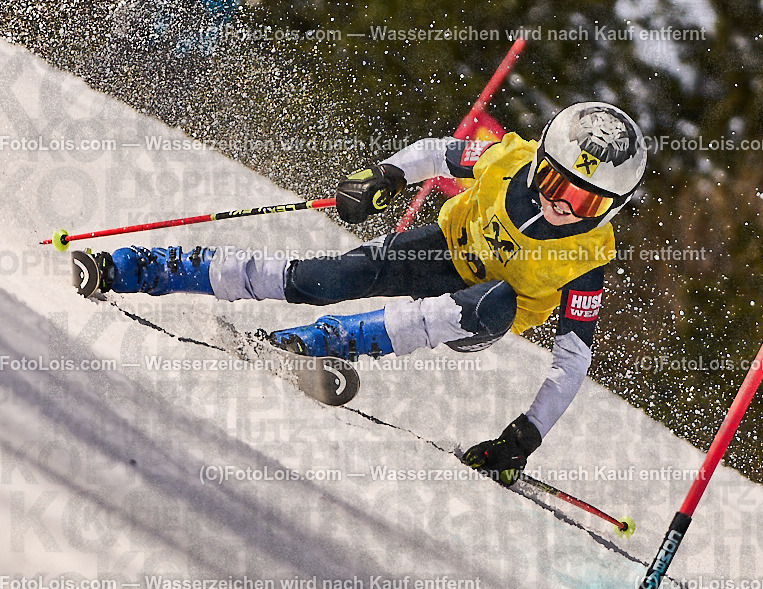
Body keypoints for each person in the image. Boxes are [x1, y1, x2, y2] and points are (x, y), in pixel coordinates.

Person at [72, 102, 647, 485]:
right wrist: (385, 176)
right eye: (554, 182)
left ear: (611, 209)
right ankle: (140, 267)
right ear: (539, 163)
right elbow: (433, 153)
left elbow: (573, 357)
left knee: (489, 303)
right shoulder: (508, 160)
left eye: (585, 201)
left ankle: (324, 343)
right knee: (327, 278)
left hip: (482, 313)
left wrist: (525, 435)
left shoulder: (587, 257)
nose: (561, 204)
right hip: (440, 250)